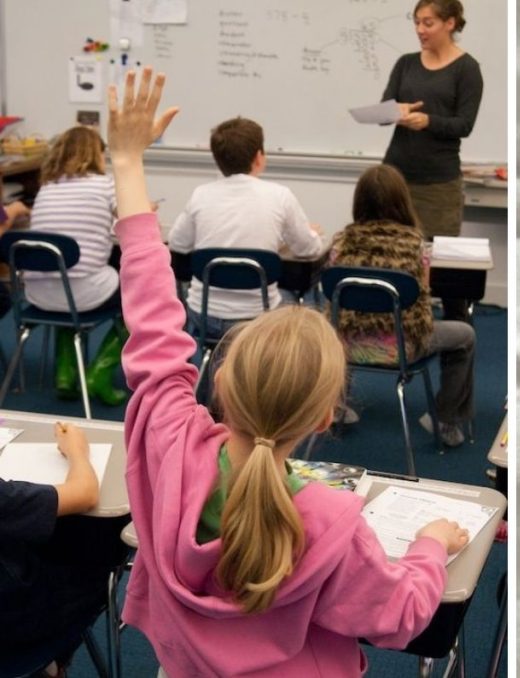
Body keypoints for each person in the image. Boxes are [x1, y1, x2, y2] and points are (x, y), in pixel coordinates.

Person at [108, 67, 468, 676]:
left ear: (219, 382)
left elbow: (151, 311)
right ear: (326, 415)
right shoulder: (329, 520)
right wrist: (432, 544)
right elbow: (401, 614)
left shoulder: (173, 446)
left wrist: (126, 163)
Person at [329, 164, 476, 447]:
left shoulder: (341, 243)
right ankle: (445, 418)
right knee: (465, 335)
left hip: (344, 345)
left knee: (334, 323)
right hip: (402, 346)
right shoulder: (416, 245)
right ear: (403, 200)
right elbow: (422, 296)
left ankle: (335, 407)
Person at [168, 116, 325, 340]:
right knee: (302, 295)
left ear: (217, 160)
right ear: (259, 157)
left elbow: (177, 244)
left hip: (203, 315)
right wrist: (311, 234)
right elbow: (308, 250)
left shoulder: (200, 195)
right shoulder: (280, 196)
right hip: (257, 320)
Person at [0, 422, 130, 677]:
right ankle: (52, 664)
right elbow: (86, 493)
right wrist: (76, 451)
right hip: (18, 627)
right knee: (104, 532)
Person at [382, 0, 483, 322]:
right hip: (395, 176)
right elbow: (385, 109)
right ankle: (389, 331)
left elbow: (464, 124)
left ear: (450, 23)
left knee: (442, 270)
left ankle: (457, 339)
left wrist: (429, 121)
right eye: (417, 22)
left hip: (439, 183)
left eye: (428, 23)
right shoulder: (406, 63)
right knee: (390, 257)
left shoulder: (467, 68)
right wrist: (395, 112)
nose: (420, 30)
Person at [22, 125, 127, 405]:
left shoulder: (47, 188)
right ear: (97, 154)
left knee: (66, 277)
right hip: (83, 294)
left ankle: (65, 376)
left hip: (38, 295)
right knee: (138, 302)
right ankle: (98, 375)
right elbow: (129, 222)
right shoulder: (106, 185)